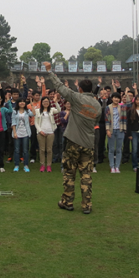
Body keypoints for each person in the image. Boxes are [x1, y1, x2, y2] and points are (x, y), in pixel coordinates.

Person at [44, 62, 101, 215]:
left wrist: (49, 71)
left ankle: (67, 202)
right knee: (86, 175)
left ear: (80, 89)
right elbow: (96, 121)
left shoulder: (76, 98)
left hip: (73, 142)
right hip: (88, 143)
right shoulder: (97, 105)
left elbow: (59, 86)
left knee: (69, 173)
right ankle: (87, 205)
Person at [34, 96, 58, 173]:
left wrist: (55, 102)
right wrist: (40, 131)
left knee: (49, 150)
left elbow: (59, 110)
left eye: (47, 101)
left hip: (50, 132)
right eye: (44, 101)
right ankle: (42, 165)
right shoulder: (38, 111)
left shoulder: (52, 110)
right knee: (42, 150)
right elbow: (36, 122)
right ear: (42, 103)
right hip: (41, 132)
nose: (46, 103)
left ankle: (48, 165)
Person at [105, 92, 127, 173]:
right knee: (111, 149)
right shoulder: (108, 107)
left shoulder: (122, 107)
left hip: (120, 129)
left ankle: (117, 166)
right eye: (115, 97)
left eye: (118, 98)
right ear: (112, 98)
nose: (116, 99)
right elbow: (107, 119)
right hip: (111, 129)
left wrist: (124, 129)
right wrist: (107, 130)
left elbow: (124, 119)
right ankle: (112, 166)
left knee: (119, 149)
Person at [11, 98, 33, 173]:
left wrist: (32, 104)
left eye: (23, 102)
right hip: (17, 132)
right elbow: (13, 122)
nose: (22, 103)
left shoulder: (27, 111)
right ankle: (16, 165)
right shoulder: (14, 111)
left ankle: (26, 165)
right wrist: (14, 133)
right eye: (20, 102)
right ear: (18, 103)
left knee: (25, 150)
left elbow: (33, 114)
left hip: (25, 133)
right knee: (17, 150)